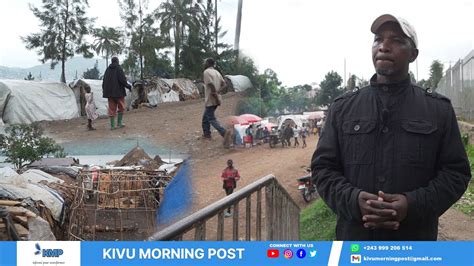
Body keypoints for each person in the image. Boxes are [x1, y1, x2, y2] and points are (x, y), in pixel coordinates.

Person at [311, 14, 471, 240]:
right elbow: (323, 169)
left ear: (413, 54)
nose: (384, 47)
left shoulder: (438, 110)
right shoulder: (342, 108)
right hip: (355, 245)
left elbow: (456, 173)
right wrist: (353, 200)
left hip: (415, 245)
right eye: (378, 39)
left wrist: (412, 205)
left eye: (396, 40)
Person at [102, 57, 131, 130]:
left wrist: (105, 91)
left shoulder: (107, 70)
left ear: (112, 62)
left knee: (111, 109)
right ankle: (119, 123)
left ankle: (112, 126)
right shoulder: (119, 69)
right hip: (119, 93)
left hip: (109, 94)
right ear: (117, 61)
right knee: (121, 107)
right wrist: (128, 86)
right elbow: (122, 80)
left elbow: (104, 81)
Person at [202, 58, 227, 140]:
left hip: (211, 98)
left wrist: (214, 93)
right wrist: (218, 91)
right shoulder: (217, 72)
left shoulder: (206, 72)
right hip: (216, 98)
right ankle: (207, 134)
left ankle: (224, 132)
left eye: (205, 62)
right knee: (205, 118)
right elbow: (224, 84)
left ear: (208, 63)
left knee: (211, 118)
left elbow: (211, 84)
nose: (204, 64)